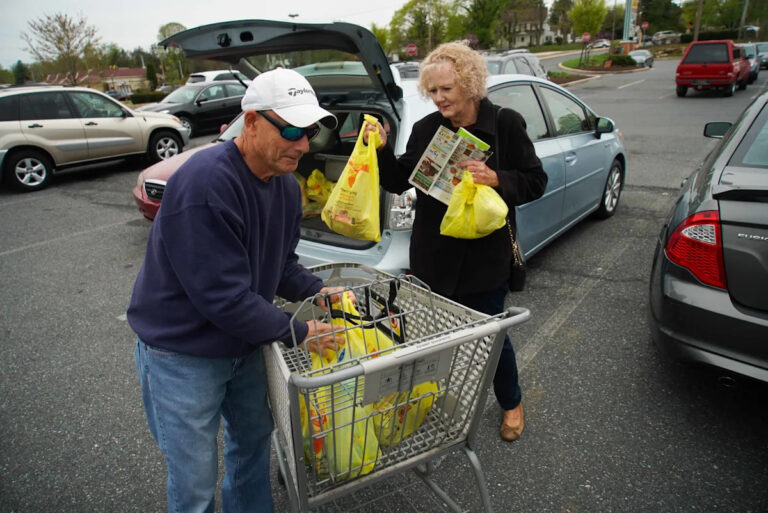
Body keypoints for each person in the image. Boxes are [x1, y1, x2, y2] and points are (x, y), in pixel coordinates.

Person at [127, 68, 346, 513]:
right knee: (194, 480)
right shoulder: (205, 184)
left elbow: (278, 261)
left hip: (243, 343)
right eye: (290, 129)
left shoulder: (286, 185)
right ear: (250, 122)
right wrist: (302, 332)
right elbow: (222, 297)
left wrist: (320, 291)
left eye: (310, 131)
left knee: (253, 445)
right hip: (181, 353)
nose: (303, 145)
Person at [365, 42, 547, 441]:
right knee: (434, 335)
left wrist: (496, 177)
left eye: (446, 89)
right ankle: (435, 398)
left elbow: (536, 180)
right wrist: (380, 149)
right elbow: (398, 180)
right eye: (432, 91)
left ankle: (511, 403)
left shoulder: (506, 124)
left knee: (491, 335)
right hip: (434, 255)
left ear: (469, 83)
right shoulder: (427, 129)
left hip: (484, 257)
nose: (439, 98)